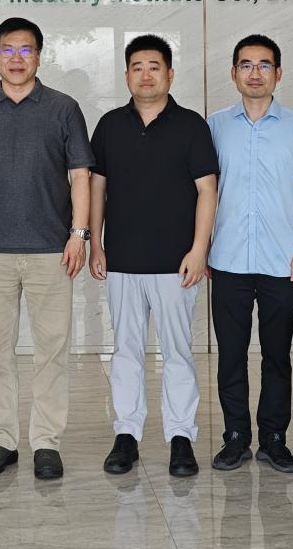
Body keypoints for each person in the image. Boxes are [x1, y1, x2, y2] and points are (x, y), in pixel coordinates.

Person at [0, 17, 95, 481]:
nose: (16, 58)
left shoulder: (63, 108)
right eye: (8, 50)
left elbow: (80, 176)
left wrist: (78, 235)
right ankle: (2, 440)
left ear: (39, 56)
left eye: (26, 50)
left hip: (52, 251)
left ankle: (46, 442)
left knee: (52, 351)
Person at [88, 35, 217, 478]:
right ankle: (127, 434)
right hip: (122, 261)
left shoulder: (191, 126)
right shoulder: (110, 125)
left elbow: (207, 190)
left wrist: (199, 250)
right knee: (125, 351)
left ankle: (181, 437)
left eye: (154, 67)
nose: (146, 75)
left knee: (178, 352)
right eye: (137, 67)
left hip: (176, 264)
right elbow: (97, 187)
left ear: (170, 74)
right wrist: (96, 243)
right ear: (126, 75)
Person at [207, 35, 293, 475]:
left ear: (278, 73)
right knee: (231, 355)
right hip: (227, 261)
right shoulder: (214, 126)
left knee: (277, 355)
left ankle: (274, 438)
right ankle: (236, 437)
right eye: (246, 65)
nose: (254, 73)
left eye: (263, 65)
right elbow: (203, 192)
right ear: (233, 73)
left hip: (282, 262)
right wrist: (202, 246)